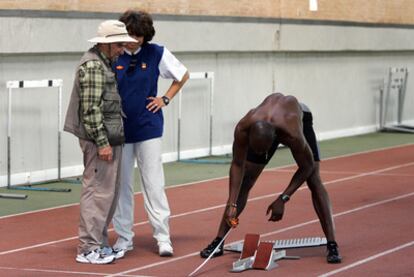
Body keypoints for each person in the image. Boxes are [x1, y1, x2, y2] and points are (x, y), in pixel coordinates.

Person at [200, 93, 342, 263]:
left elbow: (307, 166)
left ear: (275, 139)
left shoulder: (292, 133)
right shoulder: (243, 127)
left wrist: (283, 198)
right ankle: (219, 241)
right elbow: (237, 164)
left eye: (264, 151)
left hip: (299, 117)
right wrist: (232, 204)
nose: (261, 155)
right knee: (246, 180)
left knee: (314, 180)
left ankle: (332, 244)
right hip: (267, 125)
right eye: (256, 149)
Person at [111, 10, 189, 258]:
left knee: (154, 184)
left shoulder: (157, 53)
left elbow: (182, 75)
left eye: (138, 36)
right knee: (121, 186)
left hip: (148, 128)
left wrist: (165, 98)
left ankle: (163, 237)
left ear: (146, 36)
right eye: (130, 35)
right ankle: (124, 238)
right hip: (120, 130)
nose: (134, 40)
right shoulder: (114, 53)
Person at [64, 20, 136, 264]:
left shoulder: (104, 62)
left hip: (108, 138)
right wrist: (103, 143)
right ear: (105, 44)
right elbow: (91, 110)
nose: (122, 49)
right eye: (119, 44)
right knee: (97, 192)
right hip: (100, 141)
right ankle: (87, 249)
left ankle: (99, 243)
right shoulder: (94, 66)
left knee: (107, 194)